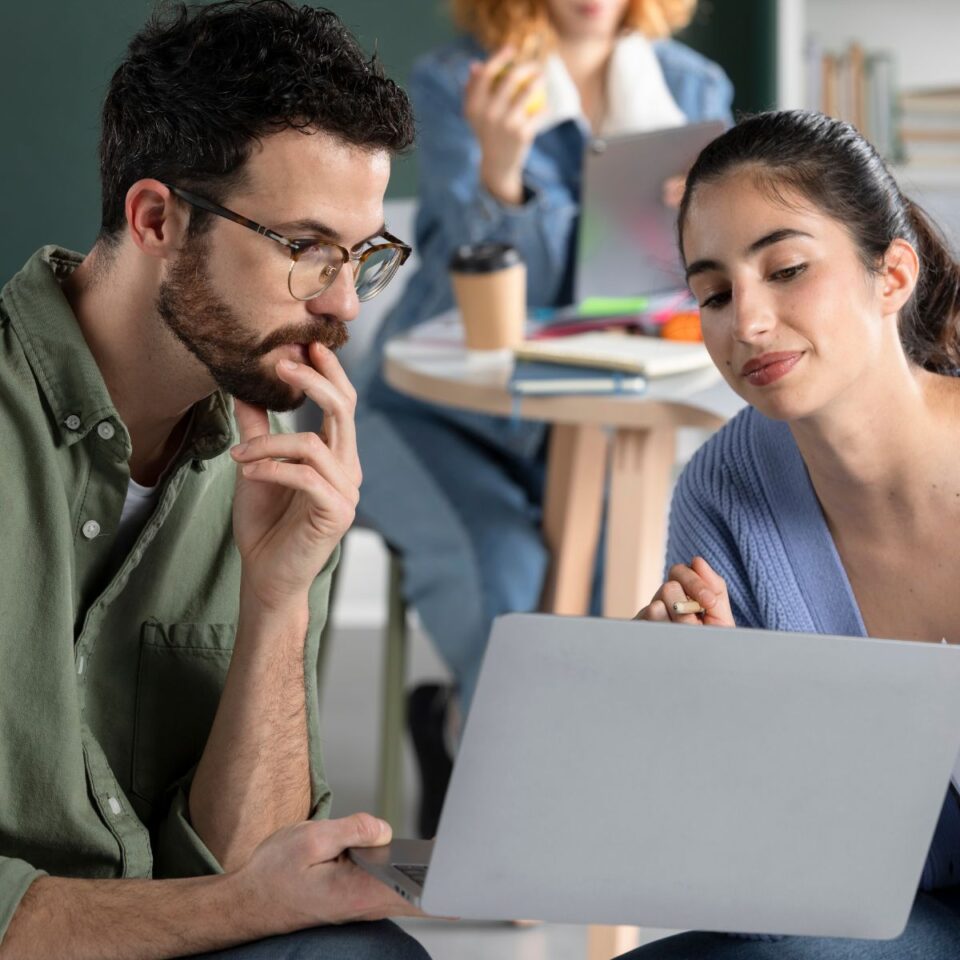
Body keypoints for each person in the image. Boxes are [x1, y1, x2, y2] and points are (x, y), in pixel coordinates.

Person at [0, 2, 431, 958]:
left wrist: (279, 596)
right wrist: (231, 911)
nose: (343, 303)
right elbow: (246, 907)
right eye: (307, 250)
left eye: (363, 256)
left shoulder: (282, 474)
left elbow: (257, 863)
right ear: (156, 217)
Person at [354, 0, 734, 837]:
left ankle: (539, 782)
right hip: (432, 411)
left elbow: (700, 275)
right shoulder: (465, 79)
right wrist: (501, 175)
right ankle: (527, 817)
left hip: (581, 414)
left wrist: (698, 229)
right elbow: (473, 276)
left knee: (618, 596)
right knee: (509, 583)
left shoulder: (692, 86)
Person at [623, 109, 960, 957]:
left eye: (787, 269)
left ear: (892, 276)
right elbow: (762, 889)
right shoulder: (723, 492)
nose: (750, 323)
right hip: (887, 911)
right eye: (714, 293)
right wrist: (702, 712)